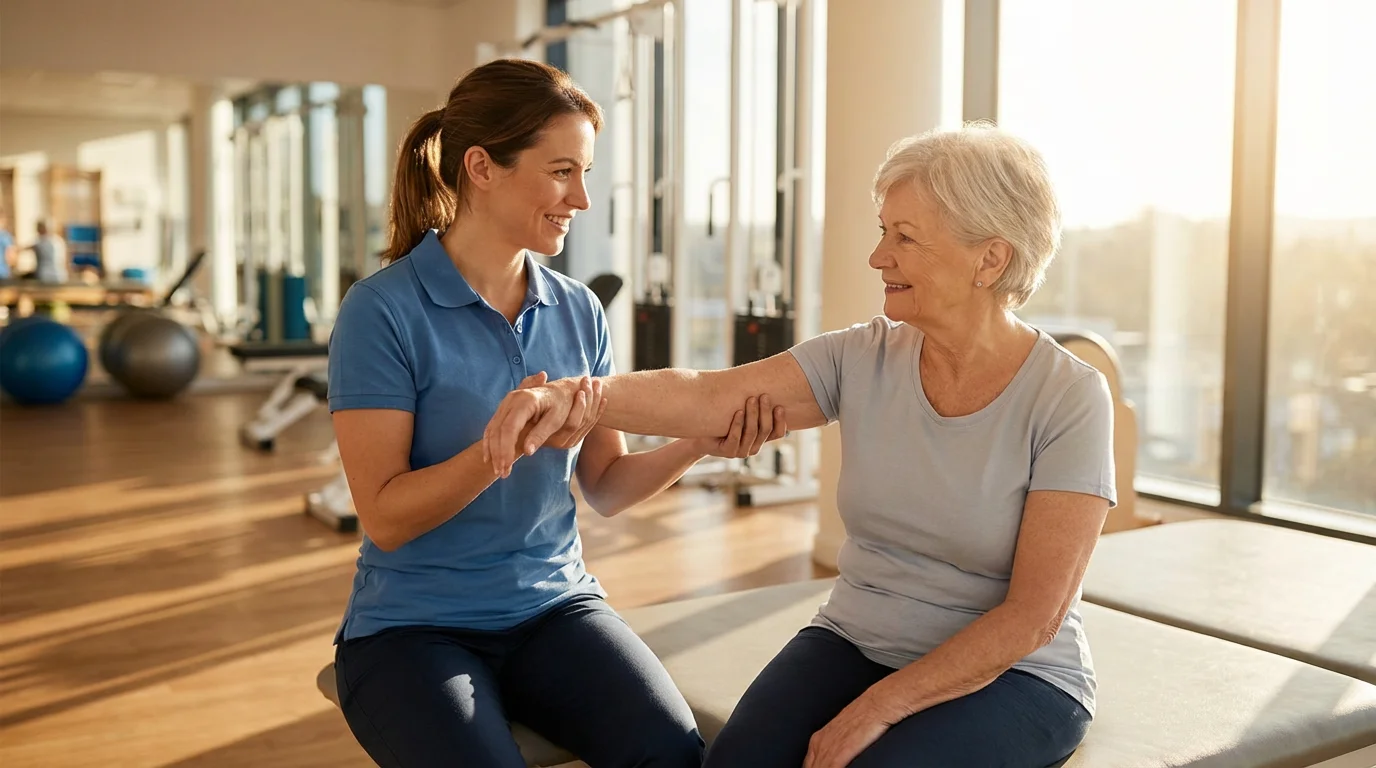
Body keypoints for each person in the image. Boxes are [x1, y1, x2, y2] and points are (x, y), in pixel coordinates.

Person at [484, 122, 1116, 767]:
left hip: (1017, 675)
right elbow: (708, 395)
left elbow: (1033, 617)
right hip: (855, 636)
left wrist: (877, 707)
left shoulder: (1067, 397)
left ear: (990, 259)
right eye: (882, 231)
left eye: (905, 238)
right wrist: (569, 396)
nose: (877, 257)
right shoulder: (863, 356)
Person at [326, 58, 785, 768]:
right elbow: (384, 516)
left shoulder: (577, 310)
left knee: (673, 755)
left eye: (586, 173)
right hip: (412, 630)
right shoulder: (383, 311)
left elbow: (606, 484)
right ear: (482, 167)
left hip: (554, 609)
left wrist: (699, 440)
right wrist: (498, 446)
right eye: (563, 171)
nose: (583, 199)